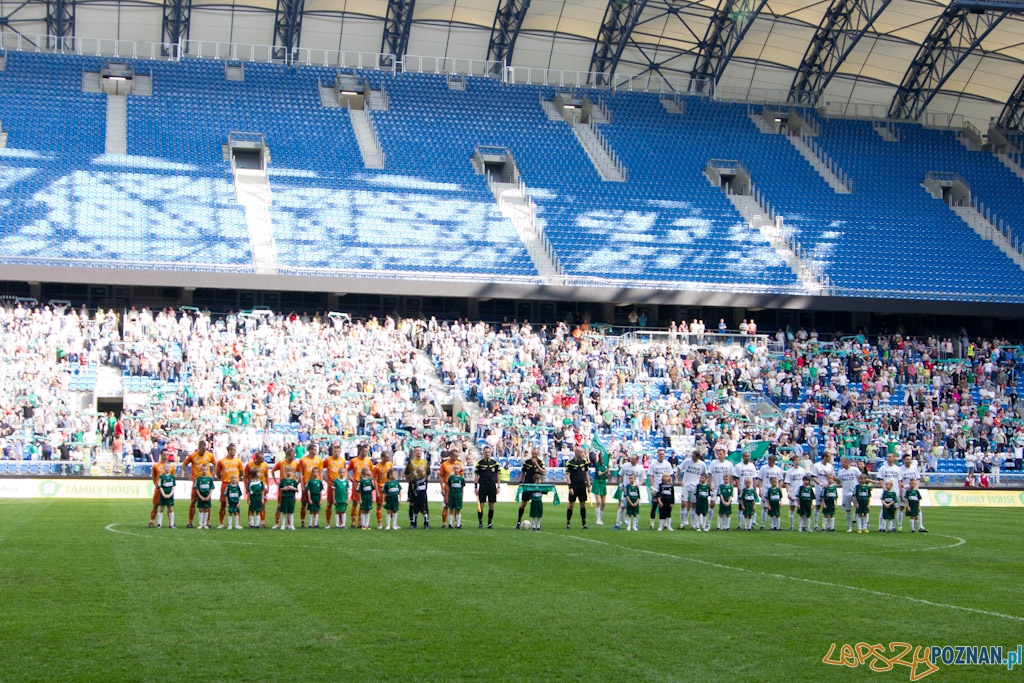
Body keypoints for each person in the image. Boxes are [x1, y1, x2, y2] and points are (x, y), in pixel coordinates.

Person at [182, 439, 216, 529]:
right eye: (202, 449)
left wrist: (212, 474)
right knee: (193, 501)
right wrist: (188, 474)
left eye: (205, 449)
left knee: (207, 502)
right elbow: (184, 465)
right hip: (196, 481)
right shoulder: (193, 455)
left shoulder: (209, 455)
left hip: (206, 482)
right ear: (199, 448)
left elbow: (215, 464)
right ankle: (190, 522)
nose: (204, 451)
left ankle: (207, 522)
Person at [215, 443, 245, 529]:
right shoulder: (221, 461)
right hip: (226, 484)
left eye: (235, 450)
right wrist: (224, 479)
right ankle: (221, 523)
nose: (234, 452)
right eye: (233, 450)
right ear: (229, 450)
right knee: (223, 504)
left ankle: (237, 523)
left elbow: (241, 472)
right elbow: (218, 473)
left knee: (236, 504)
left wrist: (236, 480)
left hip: (235, 485)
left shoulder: (238, 461)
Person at [516, 448, 546, 529]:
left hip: (536, 487)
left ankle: (537, 523)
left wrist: (537, 465)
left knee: (537, 504)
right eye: (533, 453)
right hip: (527, 486)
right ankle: (518, 521)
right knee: (523, 504)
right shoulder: (527, 462)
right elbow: (523, 472)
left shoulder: (541, 462)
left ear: (538, 453)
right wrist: (520, 482)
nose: (534, 455)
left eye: (535, 454)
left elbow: (543, 472)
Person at [678, 452, 708, 530]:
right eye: (692, 456)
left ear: (698, 457)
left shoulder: (702, 464)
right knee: (683, 504)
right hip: (686, 485)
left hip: (695, 487)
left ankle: (693, 523)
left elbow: (705, 474)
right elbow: (679, 469)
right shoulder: (687, 461)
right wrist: (679, 480)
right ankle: (683, 522)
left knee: (693, 505)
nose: (692, 457)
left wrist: (702, 483)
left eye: (694, 456)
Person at [272, 448, 300, 529]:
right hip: (283, 486)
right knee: (280, 505)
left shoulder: (295, 464)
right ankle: (277, 523)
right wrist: (276, 482)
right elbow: (273, 471)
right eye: (292, 456)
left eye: (294, 456)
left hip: (291, 487)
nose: (293, 457)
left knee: (290, 504)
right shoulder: (281, 463)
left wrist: (297, 483)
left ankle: (289, 523)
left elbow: (301, 473)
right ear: (287, 456)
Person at [297, 442, 323, 529]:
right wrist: (302, 485)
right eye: (314, 449)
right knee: (304, 503)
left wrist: (321, 482)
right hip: (306, 483)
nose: (315, 451)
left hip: (316, 484)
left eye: (316, 450)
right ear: (309, 450)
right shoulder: (303, 460)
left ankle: (315, 523)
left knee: (316, 503)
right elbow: (301, 473)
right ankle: (303, 523)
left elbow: (321, 471)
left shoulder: (319, 460)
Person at [349, 444, 375, 529]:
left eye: (367, 451)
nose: (367, 453)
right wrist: (352, 479)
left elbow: (372, 472)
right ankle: (353, 522)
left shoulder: (369, 461)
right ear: (360, 451)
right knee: (355, 503)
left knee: (362, 504)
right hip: (357, 483)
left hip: (365, 484)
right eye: (365, 451)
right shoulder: (353, 460)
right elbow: (347, 470)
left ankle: (361, 522)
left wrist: (369, 480)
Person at [647, 449, 674, 529]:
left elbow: (671, 475)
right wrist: (652, 486)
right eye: (660, 454)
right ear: (657, 455)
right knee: (654, 506)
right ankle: (652, 523)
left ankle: (665, 523)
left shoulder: (668, 464)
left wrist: (670, 485)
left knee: (666, 506)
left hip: (665, 489)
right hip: (656, 488)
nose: (661, 455)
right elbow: (651, 475)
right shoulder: (653, 464)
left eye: (663, 454)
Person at [875, 453, 902, 533]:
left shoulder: (897, 468)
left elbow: (899, 481)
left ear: (893, 458)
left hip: (895, 491)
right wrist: (884, 488)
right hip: (886, 492)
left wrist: (900, 492)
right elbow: (880, 479)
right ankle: (881, 527)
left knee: (895, 509)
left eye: (890, 457)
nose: (888, 458)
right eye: (887, 456)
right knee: (884, 509)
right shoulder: (883, 468)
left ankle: (892, 526)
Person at [474, 445, 500, 528]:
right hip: (483, 486)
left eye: (488, 452)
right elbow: (476, 476)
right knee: (481, 504)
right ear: (483, 453)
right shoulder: (479, 463)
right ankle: (480, 522)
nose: (487, 454)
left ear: (490, 453)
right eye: (486, 452)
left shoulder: (495, 463)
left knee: (491, 504)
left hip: (492, 486)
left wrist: (498, 486)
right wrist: (475, 487)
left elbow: (498, 475)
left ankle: (489, 523)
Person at [322, 444, 347, 529]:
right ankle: (328, 523)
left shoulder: (343, 460)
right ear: (332, 451)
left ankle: (341, 523)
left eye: (338, 451)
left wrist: (344, 480)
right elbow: (320, 468)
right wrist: (325, 479)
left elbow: (345, 471)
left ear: (340, 452)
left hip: (341, 484)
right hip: (331, 483)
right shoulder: (328, 460)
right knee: (329, 503)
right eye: (335, 451)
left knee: (341, 503)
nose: (336, 453)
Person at [565, 447, 591, 530]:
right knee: (571, 505)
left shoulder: (584, 462)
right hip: (574, 486)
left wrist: (589, 485)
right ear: (577, 453)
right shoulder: (570, 463)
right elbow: (568, 476)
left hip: (582, 486)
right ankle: (568, 523)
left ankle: (584, 523)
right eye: (581, 452)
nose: (582, 454)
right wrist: (570, 487)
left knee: (583, 504)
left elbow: (586, 474)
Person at [756, 454, 783, 530]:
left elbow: (780, 481)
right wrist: (760, 490)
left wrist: (780, 490)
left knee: (774, 509)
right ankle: (763, 524)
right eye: (769, 461)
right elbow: (760, 479)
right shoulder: (763, 468)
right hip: (766, 490)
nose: (770, 463)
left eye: (771, 461)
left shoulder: (778, 469)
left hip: (775, 492)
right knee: (765, 508)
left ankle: (775, 525)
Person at [707, 449, 733, 529]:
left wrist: (731, 487)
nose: (719, 455)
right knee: (712, 504)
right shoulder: (714, 463)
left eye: (721, 454)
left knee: (725, 505)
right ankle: (709, 522)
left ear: (725, 454)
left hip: (725, 488)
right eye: (718, 454)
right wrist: (710, 485)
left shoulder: (729, 464)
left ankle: (724, 524)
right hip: (715, 486)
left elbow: (731, 477)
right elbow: (710, 474)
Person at [245, 452, 270, 528]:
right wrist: (246, 487)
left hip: (261, 487)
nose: (263, 460)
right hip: (253, 488)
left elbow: (266, 476)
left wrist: (268, 486)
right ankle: (251, 523)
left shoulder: (265, 465)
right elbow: (245, 476)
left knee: (263, 505)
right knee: (251, 506)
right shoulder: (249, 465)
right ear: (257, 458)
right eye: (261, 458)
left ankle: (262, 522)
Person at [897, 454, 920, 532]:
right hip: (905, 491)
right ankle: (900, 524)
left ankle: (919, 526)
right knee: (901, 507)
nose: (909, 460)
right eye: (907, 459)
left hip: (913, 491)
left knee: (916, 508)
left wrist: (916, 487)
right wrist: (903, 488)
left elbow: (917, 478)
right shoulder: (900, 469)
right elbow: (900, 481)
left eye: (910, 459)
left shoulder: (914, 468)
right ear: (904, 460)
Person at [836, 457, 860, 533]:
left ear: (847, 462)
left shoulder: (855, 470)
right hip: (845, 493)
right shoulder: (841, 472)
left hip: (854, 493)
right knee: (847, 511)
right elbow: (839, 482)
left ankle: (857, 523)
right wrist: (835, 479)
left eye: (843, 462)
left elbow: (860, 478)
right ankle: (849, 526)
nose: (841, 464)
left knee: (858, 509)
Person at [810, 452, 833, 532]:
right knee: (818, 506)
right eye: (828, 457)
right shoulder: (817, 466)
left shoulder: (830, 466)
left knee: (829, 506)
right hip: (819, 489)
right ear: (824, 457)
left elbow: (832, 476)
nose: (830, 459)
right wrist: (820, 484)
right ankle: (816, 524)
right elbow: (813, 477)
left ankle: (830, 525)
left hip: (829, 489)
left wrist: (829, 477)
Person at [149, 451, 172, 527]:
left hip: (168, 489)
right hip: (159, 490)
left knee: (170, 506)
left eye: (167, 454)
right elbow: (154, 477)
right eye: (164, 454)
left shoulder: (171, 466)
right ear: (161, 455)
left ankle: (171, 523)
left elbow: (173, 477)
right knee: (156, 505)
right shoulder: (156, 466)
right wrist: (156, 485)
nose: (166, 456)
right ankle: (152, 522)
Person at [438, 450, 459, 529]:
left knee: (456, 506)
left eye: (457, 456)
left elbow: (461, 476)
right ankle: (444, 522)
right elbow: (441, 476)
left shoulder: (458, 464)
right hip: (447, 487)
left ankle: (457, 522)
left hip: (456, 487)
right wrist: (442, 488)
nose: (457, 458)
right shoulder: (444, 464)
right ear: (451, 455)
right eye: (455, 456)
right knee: (446, 505)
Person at [784, 453, 805, 531]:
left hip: (801, 493)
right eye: (796, 460)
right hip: (793, 491)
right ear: (793, 461)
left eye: (799, 460)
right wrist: (788, 492)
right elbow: (787, 482)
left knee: (802, 510)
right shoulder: (790, 471)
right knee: (792, 508)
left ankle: (802, 525)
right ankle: (791, 525)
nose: (798, 461)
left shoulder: (802, 470)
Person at [373, 451, 394, 530]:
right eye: (387, 457)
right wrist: (377, 492)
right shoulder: (377, 467)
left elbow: (392, 475)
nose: (388, 458)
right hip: (381, 487)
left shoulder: (390, 464)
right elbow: (375, 480)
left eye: (389, 457)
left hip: (389, 487)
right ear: (382, 457)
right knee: (379, 505)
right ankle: (379, 523)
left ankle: (392, 523)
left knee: (391, 505)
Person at [155, 459, 176, 529]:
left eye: (169, 467)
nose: (168, 468)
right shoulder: (162, 476)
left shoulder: (172, 477)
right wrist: (163, 494)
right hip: (163, 495)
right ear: (164, 468)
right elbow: (160, 486)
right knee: (161, 508)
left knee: (171, 508)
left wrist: (170, 494)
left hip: (170, 495)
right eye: (166, 467)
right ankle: (159, 524)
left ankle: (171, 524)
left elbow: (174, 486)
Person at [194, 465, 215, 530]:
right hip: (200, 497)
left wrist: (209, 496)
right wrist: (200, 496)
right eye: (203, 470)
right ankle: (200, 524)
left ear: (208, 470)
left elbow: (212, 488)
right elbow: (196, 488)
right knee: (200, 509)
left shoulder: (209, 479)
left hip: (207, 496)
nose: (204, 471)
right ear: (200, 470)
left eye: (205, 470)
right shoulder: (198, 479)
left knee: (206, 509)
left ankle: (205, 524)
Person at [591, 454, 609, 525]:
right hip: (597, 483)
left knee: (603, 503)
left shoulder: (605, 465)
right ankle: (597, 519)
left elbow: (605, 476)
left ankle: (600, 518)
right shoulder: (597, 464)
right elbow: (599, 474)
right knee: (598, 502)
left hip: (603, 483)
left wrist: (608, 474)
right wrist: (606, 471)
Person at [446, 464, 465, 529]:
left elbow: (462, 489)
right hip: (452, 495)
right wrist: (447, 496)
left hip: (458, 495)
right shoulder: (451, 478)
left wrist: (462, 497)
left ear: (459, 470)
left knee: (458, 509)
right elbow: (448, 487)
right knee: (451, 509)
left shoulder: (461, 478)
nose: (456, 470)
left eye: (457, 468)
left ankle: (458, 524)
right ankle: (450, 524)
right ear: (453, 469)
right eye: (455, 468)